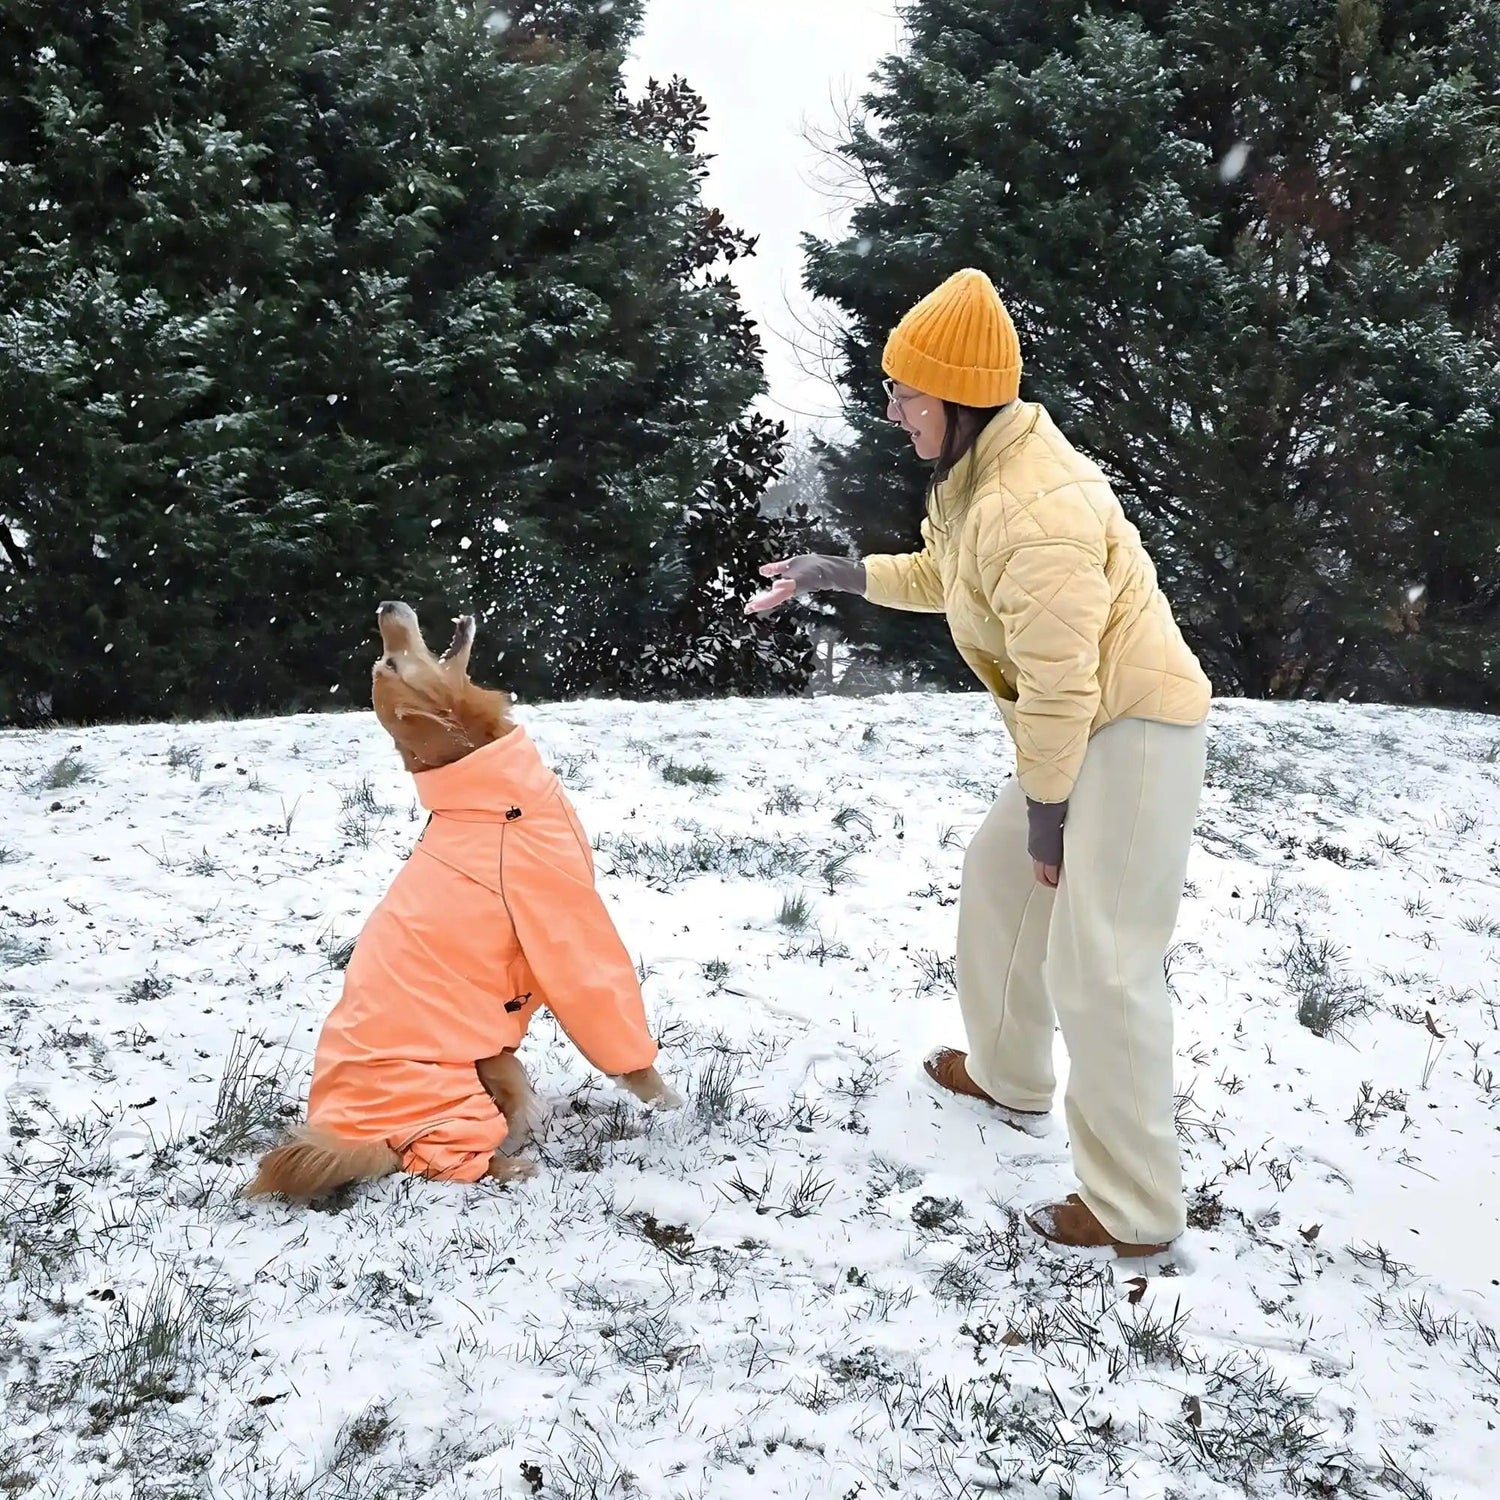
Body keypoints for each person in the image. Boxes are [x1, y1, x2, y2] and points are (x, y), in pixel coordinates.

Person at [749, 269, 1212, 1257]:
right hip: (1084, 727)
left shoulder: (1034, 507)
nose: (892, 413)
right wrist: (843, 572)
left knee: (1102, 965)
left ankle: (1136, 1209)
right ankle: (1011, 1076)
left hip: (1133, 731)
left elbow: (1059, 687)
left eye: (907, 395)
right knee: (1000, 881)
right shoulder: (983, 483)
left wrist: (1052, 813)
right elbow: (952, 578)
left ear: (960, 400)